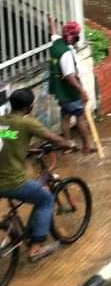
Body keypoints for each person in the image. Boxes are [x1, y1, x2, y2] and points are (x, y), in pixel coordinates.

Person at [0, 88, 75, 262]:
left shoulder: (2, 121)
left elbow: (9, 140)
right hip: (11, 182)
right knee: (46, 198)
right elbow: (54, 138)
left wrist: (27, 149)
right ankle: (35, 249)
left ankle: (22, 233)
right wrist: (69, 144)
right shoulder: (27, 123)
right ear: (30, 107)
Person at [47, 18, 94, 154]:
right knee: (80, 117)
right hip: (68, 90)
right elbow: (69, 76)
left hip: (58, 89)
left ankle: (67, 145)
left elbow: (53, 33)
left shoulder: (56, 43)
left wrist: (51, 23)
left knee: (66, 115)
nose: (75, 39)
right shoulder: (66, 53)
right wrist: (82, 91)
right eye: (75, 36)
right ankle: (86, 146)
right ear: (73, 36)